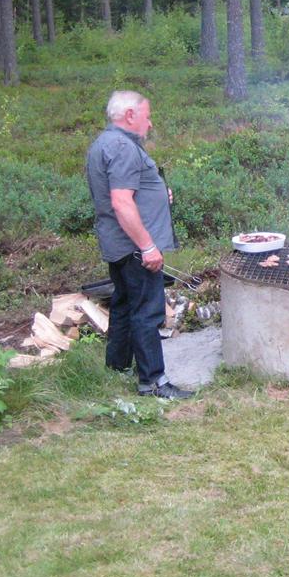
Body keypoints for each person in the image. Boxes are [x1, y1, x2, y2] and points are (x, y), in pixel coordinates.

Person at [85, 90, 193, 399]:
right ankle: (153, 382)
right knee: (148, 311)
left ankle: (117, 367)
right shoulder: (122, 148)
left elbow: (123, 192)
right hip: (133, 246)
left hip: (118, 244)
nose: (150, 121)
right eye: (146, 115)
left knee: (123, 304)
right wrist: (147, 247)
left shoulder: (104, 143)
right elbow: (121, 203)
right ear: (130, 115)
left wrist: (156, 192)